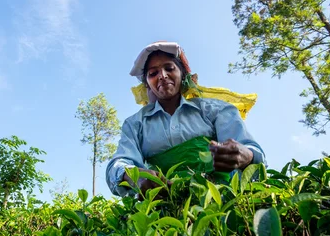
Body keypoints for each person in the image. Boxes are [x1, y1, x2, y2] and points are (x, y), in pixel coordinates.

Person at [106, 41, 266, 198]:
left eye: (169, 68)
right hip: (165, 209)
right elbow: (118, 164)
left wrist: (247, 155)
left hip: (222, 204)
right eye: (153, 73)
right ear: (147, 84)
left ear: (183, 74)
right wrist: (133, 176)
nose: (162, 76)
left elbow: (253, 151)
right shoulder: (135, 124)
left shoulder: (215, 110)